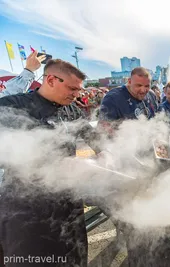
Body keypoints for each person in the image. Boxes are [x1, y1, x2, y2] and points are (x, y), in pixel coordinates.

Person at [0, 59, 108, 267]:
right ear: (50, 79)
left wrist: (107, 152)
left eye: (78, 90)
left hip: (68, 202)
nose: (76, 94)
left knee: (73, 258)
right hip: (26, 209)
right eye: (71, 88)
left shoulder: (71, 110)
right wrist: (51, 164)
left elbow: (93, 136)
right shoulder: (12, 106)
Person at [98, 67, 158, 134]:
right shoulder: (113, 98)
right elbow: (104, 129)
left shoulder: (151, 95)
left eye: (147, 86)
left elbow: (156, 117)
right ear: (129, 81)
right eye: (138, 85)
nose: (143, 90)